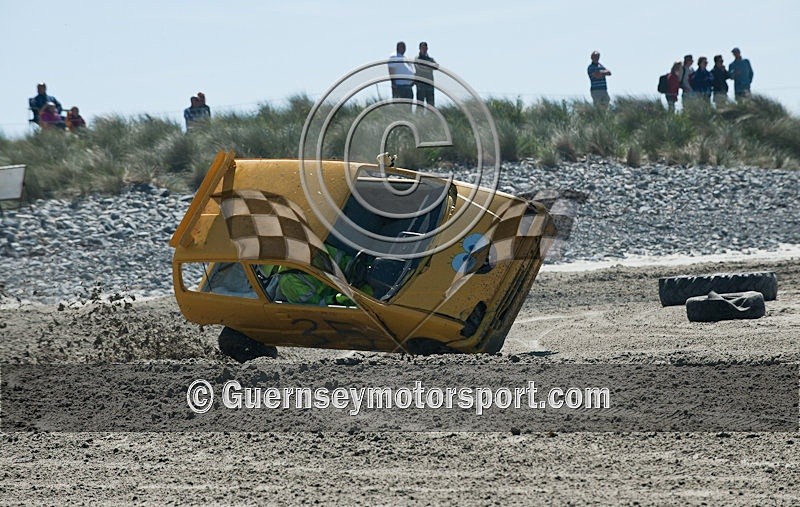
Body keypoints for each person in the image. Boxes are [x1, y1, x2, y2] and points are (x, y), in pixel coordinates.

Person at [414, 41, 437, 108]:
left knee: (431, 106)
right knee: (420, 106)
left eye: (425, 48)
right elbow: (419, 67)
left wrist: (427, 65)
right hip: (420, 85)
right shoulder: (417, 58)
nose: (424, 49)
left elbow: (436, 66)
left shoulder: (430, 59)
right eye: (422, 48)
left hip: (429, 85)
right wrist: (429, 66)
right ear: (419, 48)